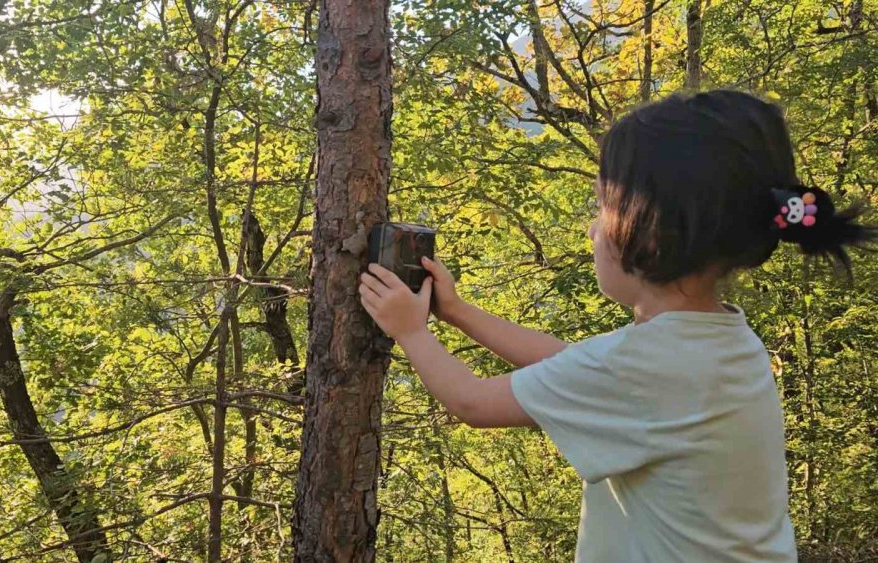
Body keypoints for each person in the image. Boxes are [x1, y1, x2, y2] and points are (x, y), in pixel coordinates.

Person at [358, 90, 876, 562]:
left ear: (649, 234)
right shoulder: (719, 340)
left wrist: (411, 332)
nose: (592, 227)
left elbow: (472, 402)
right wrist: (457, 311)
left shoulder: (652, 364)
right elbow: (573, 364)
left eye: (605, 208)